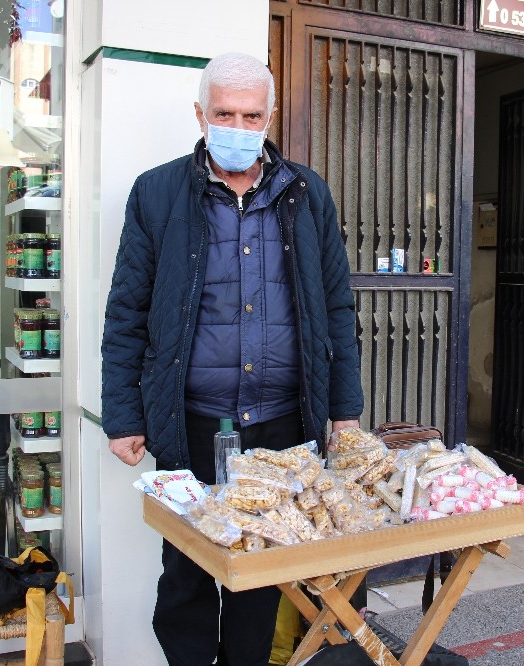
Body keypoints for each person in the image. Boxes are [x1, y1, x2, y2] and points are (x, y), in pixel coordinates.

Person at [101, 52, 364, 665]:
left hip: (281, 421)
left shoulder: (306, 192)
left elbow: (337, 309)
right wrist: (124, 416)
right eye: (225, 113)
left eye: (252, 116)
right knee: (187, 571)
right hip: (192, 420)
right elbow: (127, 313)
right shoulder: (158, 193)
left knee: (260, 568)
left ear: (270, 118)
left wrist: (345, 413)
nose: (238, 127)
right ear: (200, 114)